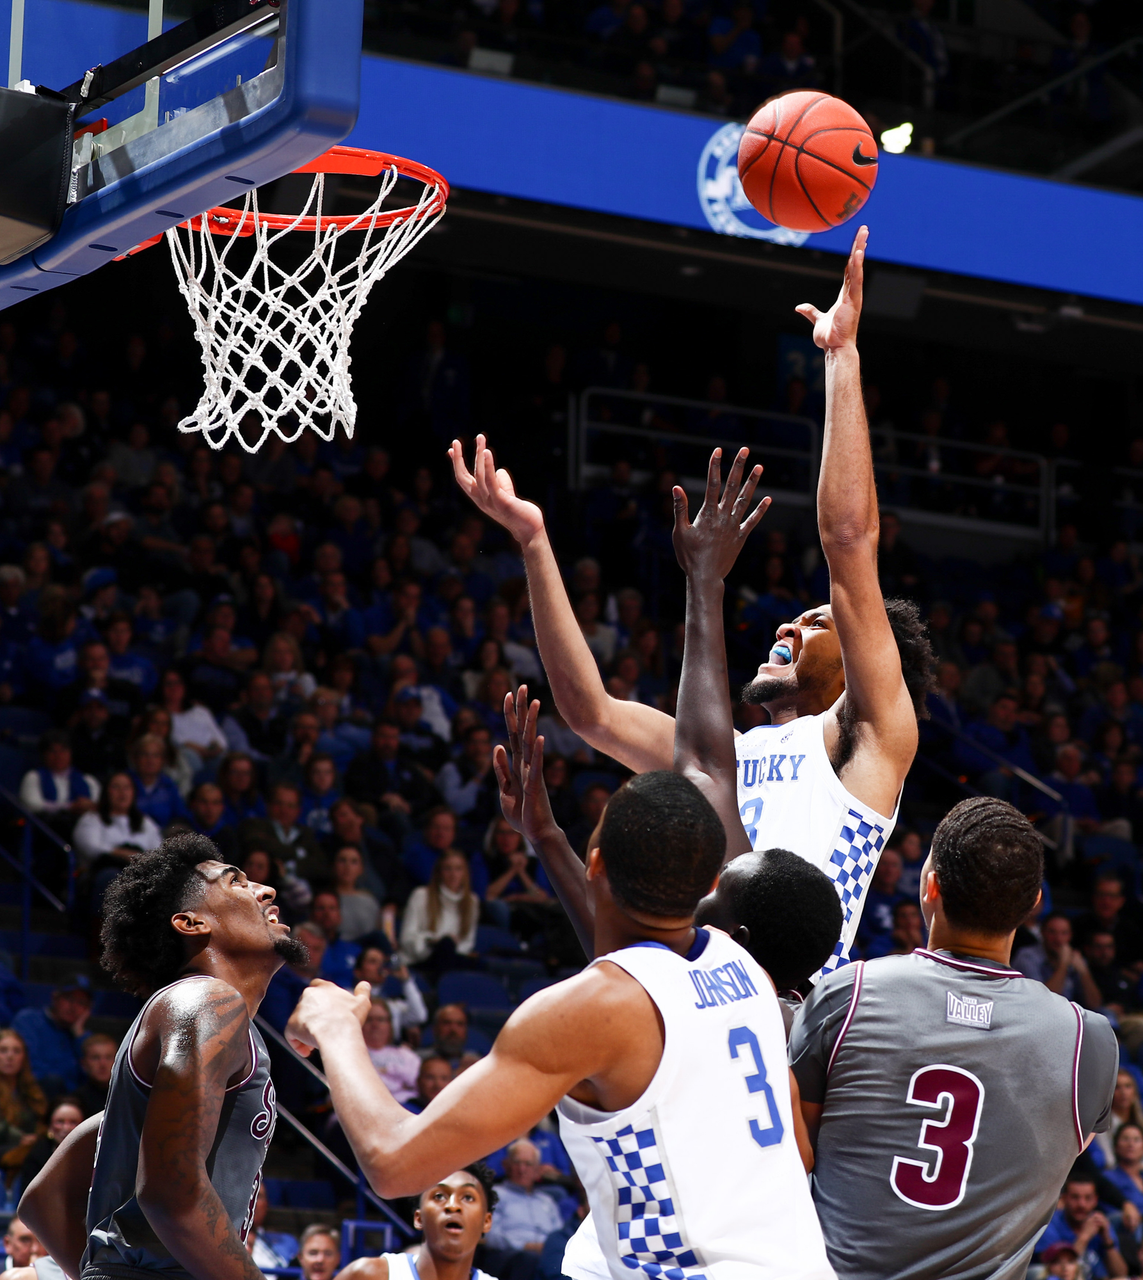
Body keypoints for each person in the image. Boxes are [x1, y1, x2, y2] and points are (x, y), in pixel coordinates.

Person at [450, 227, 934, 973]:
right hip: (712, 986)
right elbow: (590, 714)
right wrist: (534, 542)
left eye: (816, 622)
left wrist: (840, 356)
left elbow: (846, 541)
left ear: (866, 663)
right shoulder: (731, 755)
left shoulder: (865, 739)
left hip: (796, 1005)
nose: (788, 622)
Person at [286, 760, 833, 1280]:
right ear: (708, 882)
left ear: (594, 861)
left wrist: (337, 1028)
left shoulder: (588, 1011)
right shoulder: (744, 968)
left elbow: (393, 1162)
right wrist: (545, 836)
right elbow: (799, 1152)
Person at [789, 796, 1120, 1280]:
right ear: (1034, 903)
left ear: (929, 886)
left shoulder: (849, 993)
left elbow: (792, 1154)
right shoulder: (1089, 1041)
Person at [16, 831, 309, 1280]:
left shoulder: (192, 1022)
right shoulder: (209, 1002)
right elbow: (172, 1191)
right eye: (237, 882)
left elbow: (45, 1198)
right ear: (191, 923)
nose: (265, 890)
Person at [332, 1164, 498, 1280]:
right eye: (439, 1196)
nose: (453, 1206)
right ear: (418, 1218)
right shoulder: (369, 1275)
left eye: (468, 1197)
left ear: (486, 1221)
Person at [1036, 1172, 1128, 1278]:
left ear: (1095, 1200)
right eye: (1075, 1197)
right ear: (1064, 1198)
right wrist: (1084, 1237)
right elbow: (1059, 1273)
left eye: (1088, 1198)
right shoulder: (1050, 1224)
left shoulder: (1100, 1223)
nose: (1081, 1204)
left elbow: (1120, 1274)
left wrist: (1107, 1241)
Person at [11, 979, 92, 1096]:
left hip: (71, 1104)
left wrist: (79, 1036)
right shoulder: (29, 1020)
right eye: (69, 999)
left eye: (81, 1003)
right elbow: (30, 1068)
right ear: (55, 997)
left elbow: (93, 1074)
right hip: (33, 1093)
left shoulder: (82, 1037)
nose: (74, 1007)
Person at [399, 852, 480, 969]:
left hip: (452, 959)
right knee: (446, 945)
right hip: (421, 959)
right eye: (448, 869)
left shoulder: (472, 901)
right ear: (439, 872)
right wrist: (432, 941)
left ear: (465, 873)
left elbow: (467, 943)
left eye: (458, 869)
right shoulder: (421, 895)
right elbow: (407, 938)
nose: (453, 874)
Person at [484, 1139, 563, 1257]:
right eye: (517, 1163)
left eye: (528, 1164)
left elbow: (559, 1236)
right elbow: (490, 1236)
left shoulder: (547, 1201)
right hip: (513, 1257)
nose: (522, 1169)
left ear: (537, 1170)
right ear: (506, 1165)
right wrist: (525, 1246)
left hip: (547, 1256)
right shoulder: (495, 1195)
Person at [1014, 911, 1104, 1008]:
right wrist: (1063, 965)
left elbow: (1095, 1004)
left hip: (1069, 1018)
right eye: (1052, 932)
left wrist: (1084, 972)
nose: (1058, 939)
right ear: (1042, 932)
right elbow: (1043, 1003)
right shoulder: (1027, 956)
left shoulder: (1075, 958)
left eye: (1064, 933)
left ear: (1070, 935)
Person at [0, 1031, 47, 1181]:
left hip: (29, 1154)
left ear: (24, 1057)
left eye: (16, 1051)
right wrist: (19, 1138)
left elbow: (43, 1121)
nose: (10, 1057)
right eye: (3, 1050)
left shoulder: (32, 1090)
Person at [15, 1097, 83, 1195]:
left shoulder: (93, 1155)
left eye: (73, 1122)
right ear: (50, 1125)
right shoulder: (36, 1156)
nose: (66, 1128)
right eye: (60, 1122)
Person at [361, 998, 421, 1102]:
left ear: (390, 1025)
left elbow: (419, 1083)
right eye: (369, 1019)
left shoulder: (406, 1055)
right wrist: (400, 1084)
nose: (375, 1025)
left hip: (408, 1107)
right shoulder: (351, 1056)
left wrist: (388, 1070)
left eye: (380, 1019)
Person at [244, 1181, 299, 1273]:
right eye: (248, 1196)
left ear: (266, 1205)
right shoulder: (222, 1239)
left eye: (259, 1196)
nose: (253, 1202)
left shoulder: (287, 1243)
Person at [419, 1005, 481, 1071]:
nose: (453, 1030)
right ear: (435, 1029)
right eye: (447, 1023)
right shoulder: (418, 1061)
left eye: (460, 1024)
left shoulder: (477, 1064)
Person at [75, 1033, 117, 1117]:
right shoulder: (76, 1102)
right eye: (95, 1057)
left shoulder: (128, 1098)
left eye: (108, 1057)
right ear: (84, 1064)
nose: (102, 1064)